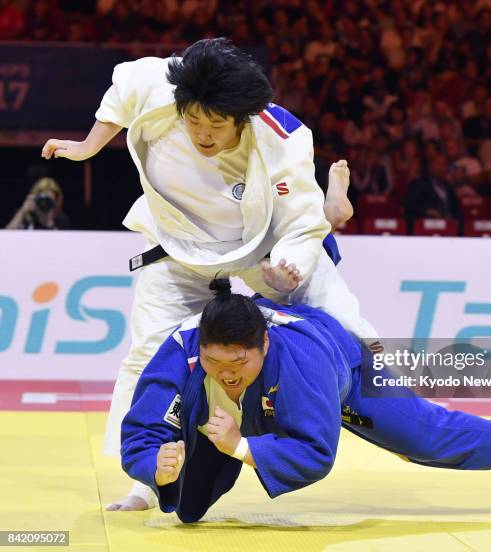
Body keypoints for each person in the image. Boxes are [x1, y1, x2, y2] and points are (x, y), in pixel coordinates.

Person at [41, 38, 375, 510]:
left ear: (242, 117)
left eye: (216, 124)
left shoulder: (282, 137)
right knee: (145, 355)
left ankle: (397, 399)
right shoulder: (162, 84)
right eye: (193, 118)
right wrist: (88, 146)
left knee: (344, 319)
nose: (201, 131)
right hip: (177, 246)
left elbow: (301, 222)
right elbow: (122, 88)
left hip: (262, 248)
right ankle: (143, 478)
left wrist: (290, 270)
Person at [121, 279, 491, 524]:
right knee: (186, 508)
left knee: (427, 438)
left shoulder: (303, 363)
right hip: (227, 420)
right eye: (214, 360)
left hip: (346, 373)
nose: (226, 372)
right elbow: (142, 432)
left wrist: (241, 448)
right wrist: (154, 468)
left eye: (239, 363)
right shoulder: (180, 354)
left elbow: (317, 453)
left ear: (263, 346)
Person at [5, 177, 70, 230]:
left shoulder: (60, 219)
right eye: (42, 199)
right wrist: (23, 210)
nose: (45, 203)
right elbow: (7, 237)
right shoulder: (26, 216)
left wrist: (49, 223)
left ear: (56, 201)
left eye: (48, 200)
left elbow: (64, 242)